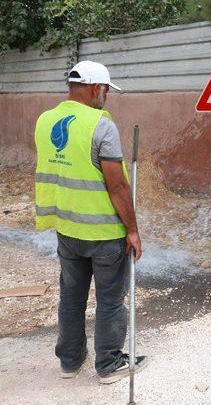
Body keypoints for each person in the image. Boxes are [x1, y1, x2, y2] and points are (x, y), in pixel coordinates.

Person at [34, 60, 148, 383]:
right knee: (110, 298)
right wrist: (133, 230)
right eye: (106, 91)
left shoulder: (45, 121)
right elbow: (117, 185)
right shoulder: (101, 125)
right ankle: (109, 364)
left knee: (71, 295)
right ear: (95, 88)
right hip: (103, 232)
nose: (107, 97)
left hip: (67, 228)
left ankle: (70, 361)